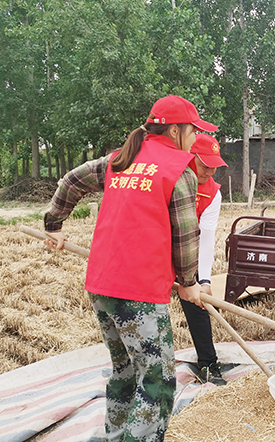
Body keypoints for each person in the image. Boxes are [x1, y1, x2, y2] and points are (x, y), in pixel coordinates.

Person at [43, 95, 217, 441]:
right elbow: (185, 233)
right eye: (192, 130)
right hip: (139, 291)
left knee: (125, 371)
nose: (194, 136)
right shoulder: (178, 168)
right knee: (157, 379)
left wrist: (53, 223)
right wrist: (188, 282)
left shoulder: (120, 160)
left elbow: (70, 181)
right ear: (175, 129)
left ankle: (116, 435)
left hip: (101, 285)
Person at [179, 133, 228, 386]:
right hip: (157, 250)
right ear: (190, 157)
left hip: (188, 252)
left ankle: (208, 364)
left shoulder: (212, 193)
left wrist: (204, 280)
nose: (210, 171)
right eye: (204, 164)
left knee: (198, 308)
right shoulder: (171, 178)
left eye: (214, 165)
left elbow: (206, 238)